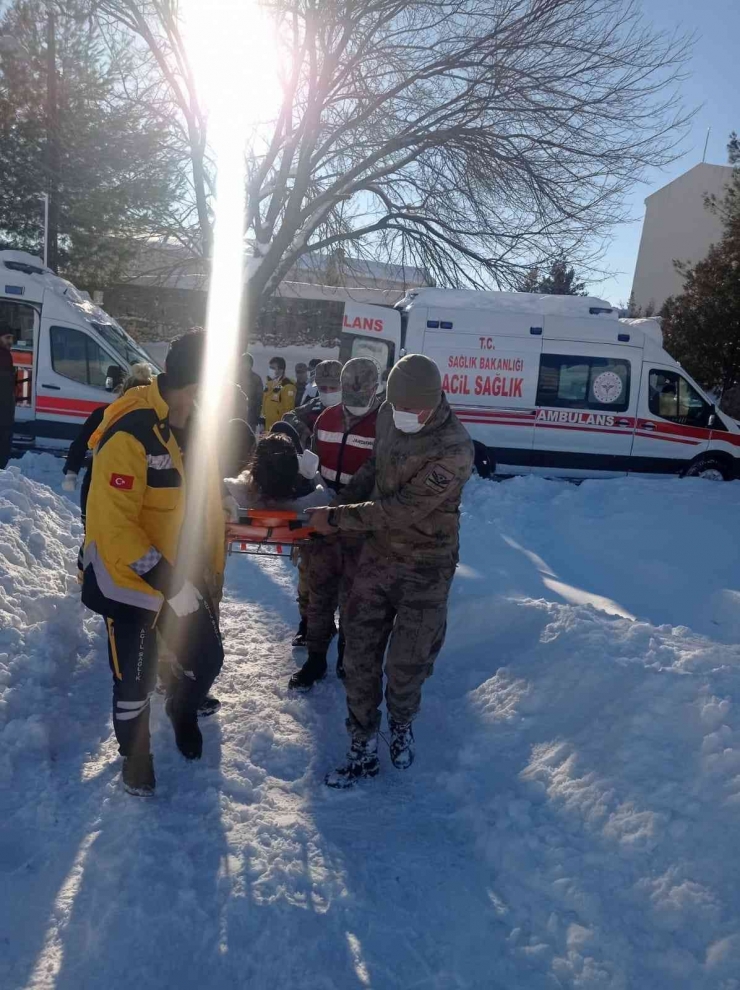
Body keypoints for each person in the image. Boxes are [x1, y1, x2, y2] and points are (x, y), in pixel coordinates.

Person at [307, 354, 474, 788]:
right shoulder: (388, 415)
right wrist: (337, 505)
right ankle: (360, 743)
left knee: (407, 663)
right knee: (359, 653)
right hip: (377, 558)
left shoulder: (455, 448)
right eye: (396, 408)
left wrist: (340, 519)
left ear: (435, 403)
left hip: (427, 567)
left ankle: (400, 724)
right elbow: (373, 470)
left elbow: (402, 509)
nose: (402, 418)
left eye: (412, 411)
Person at [81, 330, 226, 797]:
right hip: (130, 580)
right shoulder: (132, 430)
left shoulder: (195, 424)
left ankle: (181, 709)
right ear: (191, 385)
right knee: (134, 681)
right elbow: (114, 528)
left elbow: (199, 496)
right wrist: (167, 580)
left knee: (207, 656)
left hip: (177, 575)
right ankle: (135, 757)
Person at [290, 357, 381, 691]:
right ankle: (316, 659)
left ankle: (346, 656)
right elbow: (312, 467)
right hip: (323, 522)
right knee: (319, 595)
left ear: (375, 389)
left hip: (360, 526)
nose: (355, 403)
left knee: (354, 599)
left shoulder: (383, 425)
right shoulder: (326, 418)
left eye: (363, 395)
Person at [62, 363, 152, 522]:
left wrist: (71, 472)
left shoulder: (103, 414)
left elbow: (80, 444)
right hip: (137, 493)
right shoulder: (156, 420)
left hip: (97, 487)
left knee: (93, 538)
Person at [284, 359, 341, 451]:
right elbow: (288, 416)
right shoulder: (315, 403)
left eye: (333, 387)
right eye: (322, 388)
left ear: (342, 386)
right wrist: (303, 429)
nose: (328, 392)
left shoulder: (351, 408)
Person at [261, 356, 297, 431]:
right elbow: (264, 402)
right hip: (267, 426)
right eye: (270, 368)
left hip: (278, 428)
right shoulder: (269, 384)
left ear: (281, 370)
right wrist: (262, 419)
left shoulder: (287, 386)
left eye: (273, 368)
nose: (270, 370)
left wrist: (284, 427)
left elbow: (289, 410)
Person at [0, 326, 17, 470]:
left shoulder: (5, 355)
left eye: (11, 338)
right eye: (7, 338)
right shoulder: (3, 357)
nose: (10, 341)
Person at [239, 352, 264, 433]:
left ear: (250, 365)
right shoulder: (235, 377)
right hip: (237, 413)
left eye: (246, 363)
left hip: (250, 415)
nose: (243, 365)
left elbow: (259, 398)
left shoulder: (256, 379)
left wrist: (256, 416)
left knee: (248, 437)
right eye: (242, 363)